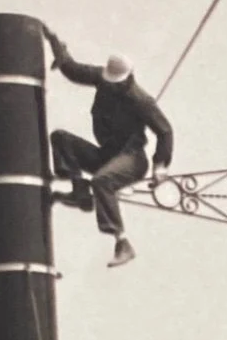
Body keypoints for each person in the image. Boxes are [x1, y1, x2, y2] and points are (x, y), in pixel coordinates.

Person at [43, 28, 173, 267]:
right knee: (60, 138)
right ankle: (79, 191)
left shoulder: (140, 99)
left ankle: (123, 242)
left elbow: (164, 131)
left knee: (102, 181)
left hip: (132, 159)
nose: (112, 87)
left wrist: (160, 166)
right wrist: (55, 44)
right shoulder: (102, 78)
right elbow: (72, 69)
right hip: (107, 155)